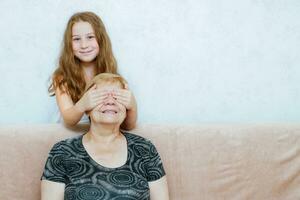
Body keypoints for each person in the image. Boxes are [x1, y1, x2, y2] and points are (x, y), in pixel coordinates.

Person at [41, 73, 169, 200]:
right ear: (87, 108)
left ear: (126, 110)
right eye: (101, 97)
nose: (110, 101)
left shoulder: (145, 149)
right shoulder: (62, 151)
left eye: (118, 97)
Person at [48, 11, 137, 130]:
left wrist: (132, 105)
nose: (84, 45)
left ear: (101, 40)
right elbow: (69, 120)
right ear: (69, 44)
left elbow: (127, 126)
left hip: (98, 135)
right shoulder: (62, 76)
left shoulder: (112, 76)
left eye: (90, 37)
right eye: (76, 39)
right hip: (69, 133)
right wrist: (83, 104)